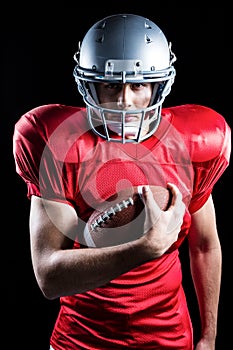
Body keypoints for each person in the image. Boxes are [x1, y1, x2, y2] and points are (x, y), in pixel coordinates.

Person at [13, 13, 231, 350]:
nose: (124, 101)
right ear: (90, 85)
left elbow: (204, 245)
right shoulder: (56, 142)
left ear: (158, 86)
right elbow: (48, 275)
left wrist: (209, 336)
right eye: (111, 84)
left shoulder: (194, 143)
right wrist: (144, 248)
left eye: (139, 85)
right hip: (81, 338)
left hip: (168, 337)